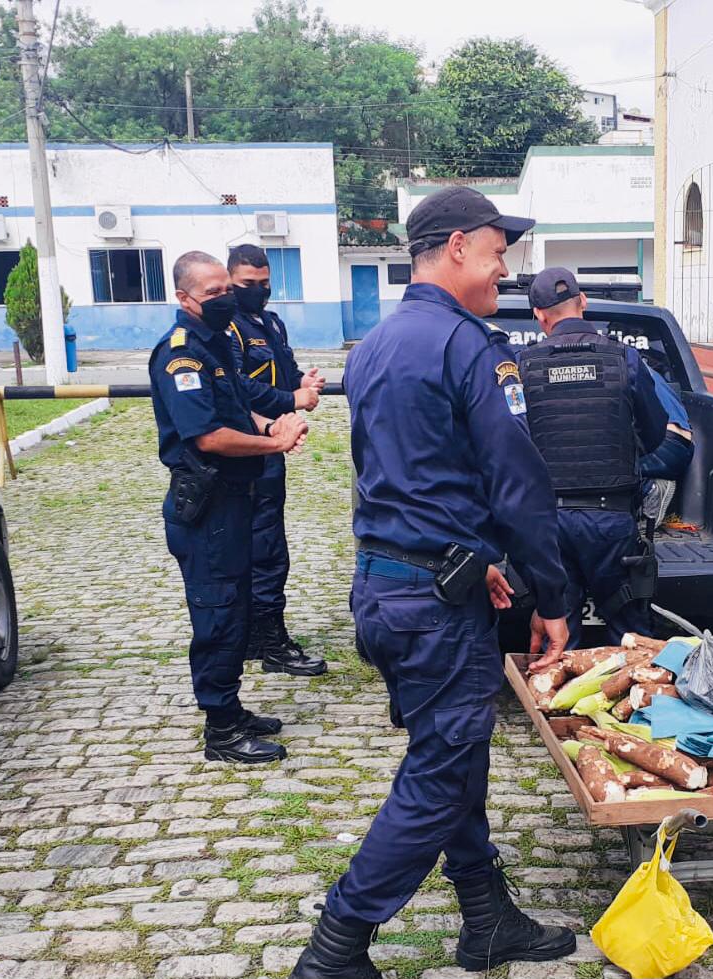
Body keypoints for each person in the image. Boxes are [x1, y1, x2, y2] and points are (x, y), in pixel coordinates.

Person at [289, 187, 574, 979]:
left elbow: (400, 477)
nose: (503, 268)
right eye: (495, 251)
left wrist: (466, 554)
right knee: (439, 775)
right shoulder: (470, 347)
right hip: (433, 606)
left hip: (389, 588)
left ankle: (486, 918)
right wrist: (551, 596)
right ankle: (335, 947)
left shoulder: (373, 347)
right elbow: (517, 486)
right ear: (454, 246)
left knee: (452, 758)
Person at [149, 251, 309, 764]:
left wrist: (272, 425)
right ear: (184, 299)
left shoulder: (215, 345)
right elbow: (210, 436)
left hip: (235, 502)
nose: (227, 299)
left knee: (238, 608)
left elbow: (239, 404)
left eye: (227, 289)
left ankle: (232, 709)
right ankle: (221, 730)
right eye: (214, 293)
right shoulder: (182, 356)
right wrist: (275, 446)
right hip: (207, 508)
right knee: (217, 617)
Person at [517, 267, 668, 647]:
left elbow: (510, 445)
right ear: (582, 302)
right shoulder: (625, 360)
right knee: (631, 640)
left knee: (558, 638)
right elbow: (653, 434)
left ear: (538, 315)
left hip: (549, 525)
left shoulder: (522, 366)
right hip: (612, 522)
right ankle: (633, 703)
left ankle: (556, 704)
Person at [224, 243, 326, 677]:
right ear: (231, 280)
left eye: (264, 284)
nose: (258, 292)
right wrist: (292, 398)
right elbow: (238, 390)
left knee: (266, 547)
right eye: (249, 284)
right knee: (264, 551)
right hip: (247, 450)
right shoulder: (227, 329)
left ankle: (254, 635)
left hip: (272, 447)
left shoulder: (270, 323)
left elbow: (281, 369)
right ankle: (269, 642)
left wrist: (301, 381)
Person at [640, 362, 695, 525]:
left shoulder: (614, 366)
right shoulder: (630, 361)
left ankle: (650, 489)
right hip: (679, 444)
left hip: (664, 446)